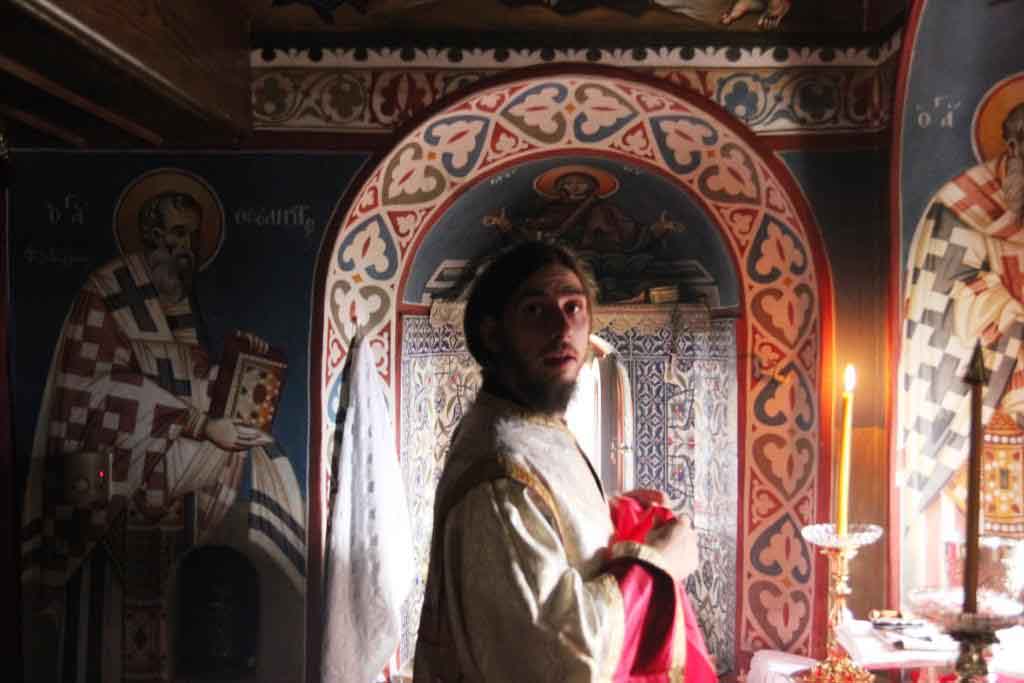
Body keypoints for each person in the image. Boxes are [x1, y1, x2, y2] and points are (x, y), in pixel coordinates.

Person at [19, 189, 305, 681]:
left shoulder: (176, 300)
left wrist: (240, 367)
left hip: (166, 491)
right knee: (105, 643)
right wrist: (199, 424)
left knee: (169, 627)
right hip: (106, 491)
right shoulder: (108, 291)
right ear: (150, 233)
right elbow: (94, 390)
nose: (185, 247)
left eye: (193, 236)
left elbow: (189, 383)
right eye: (176, 233)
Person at [413, 240, 713, 682]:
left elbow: (543, 525)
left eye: (574, 307)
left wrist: (608, 510)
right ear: (492, 333)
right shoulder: (500, 478)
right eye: (536, 310)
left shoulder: (528, 423)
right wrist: (658, 563)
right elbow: (562, 659)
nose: (563, 327)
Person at [900, 102, 1024, 590]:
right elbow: (948, 294)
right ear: (1012, 148)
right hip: (983, 391)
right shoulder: (961, 206)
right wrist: (1011, 312)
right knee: (980, 537)